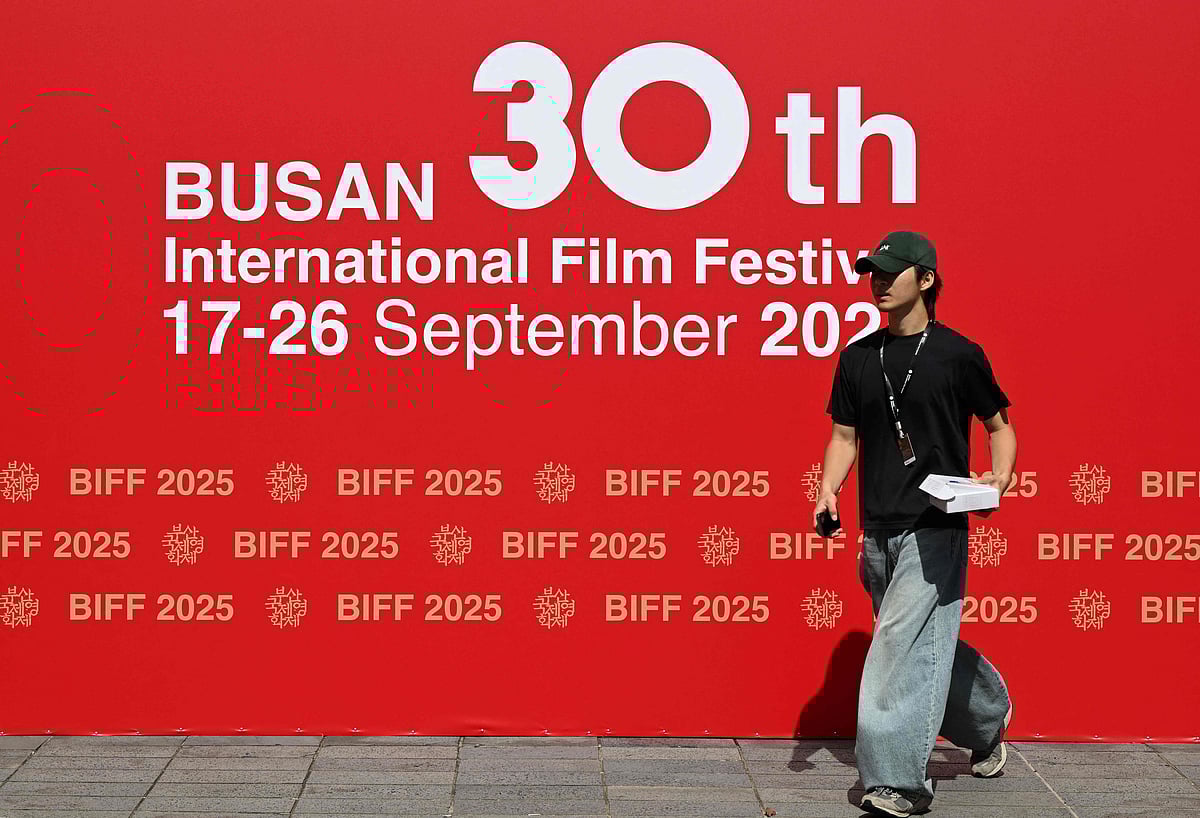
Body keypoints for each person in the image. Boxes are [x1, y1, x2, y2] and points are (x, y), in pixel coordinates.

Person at [812, 230, 1017, 816]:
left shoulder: (958, 354)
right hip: (876, 528)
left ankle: (896, 783)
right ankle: (986, 720)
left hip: (937, 526)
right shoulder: (857, 357)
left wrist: (996, 481)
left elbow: (1000, 427)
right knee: (922, 645)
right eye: (872, 271)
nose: (877, 280)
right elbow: (843, 438)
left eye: (890, 271)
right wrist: (828, 488)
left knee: (897, 649)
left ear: (925, 280)